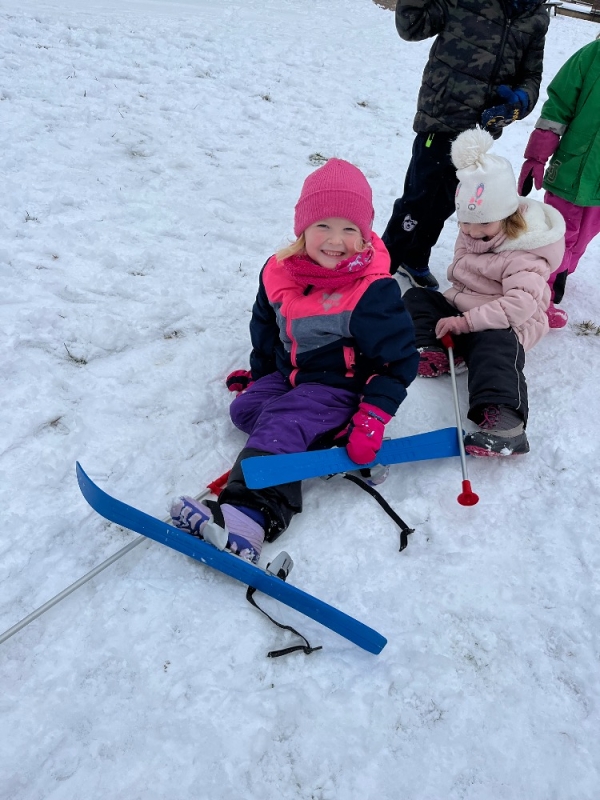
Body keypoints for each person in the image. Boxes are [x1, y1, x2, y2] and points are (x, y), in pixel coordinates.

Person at [170, 159, 419, 563]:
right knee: (245, 410)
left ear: (364, 234)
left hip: (342, 386)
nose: (335, 240)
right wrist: (260, 375)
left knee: (282, 422)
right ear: (302, 226)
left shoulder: (372, 291)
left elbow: (399, 361)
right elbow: (266, 328)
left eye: (349, 229)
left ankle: (248, 519)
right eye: (323, 225)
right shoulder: (278, 271)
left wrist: (372, 417)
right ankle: (325, 435)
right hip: (292, 375)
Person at [403, 128, 565, 457]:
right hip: (465, 310)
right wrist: (457, 317)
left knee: (495, 347)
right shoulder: (474, 231)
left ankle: (505, 424)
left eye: (483, 225)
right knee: (418, 298)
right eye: (465, 224)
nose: (473, 233)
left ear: (508, 217)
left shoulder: (526, 254)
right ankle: (436, 350)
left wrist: (466, 322)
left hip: (507, 322)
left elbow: (518, 306)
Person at [382, 0, 550, 290]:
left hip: (479, 132)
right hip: (442, 117)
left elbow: (531, 75)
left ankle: (415, 257)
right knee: (418, 199)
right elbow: (412, 26)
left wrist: (521, 100)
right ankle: (383, 264)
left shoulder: (535, 17)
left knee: (450, 201)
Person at [518, 35, 600, 329]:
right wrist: (537, 156)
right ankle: (542, 294)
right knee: (556, 235)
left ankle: (560, 277)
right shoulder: (591, 56)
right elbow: (558, 106)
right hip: (573, 168)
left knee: (583, 237)